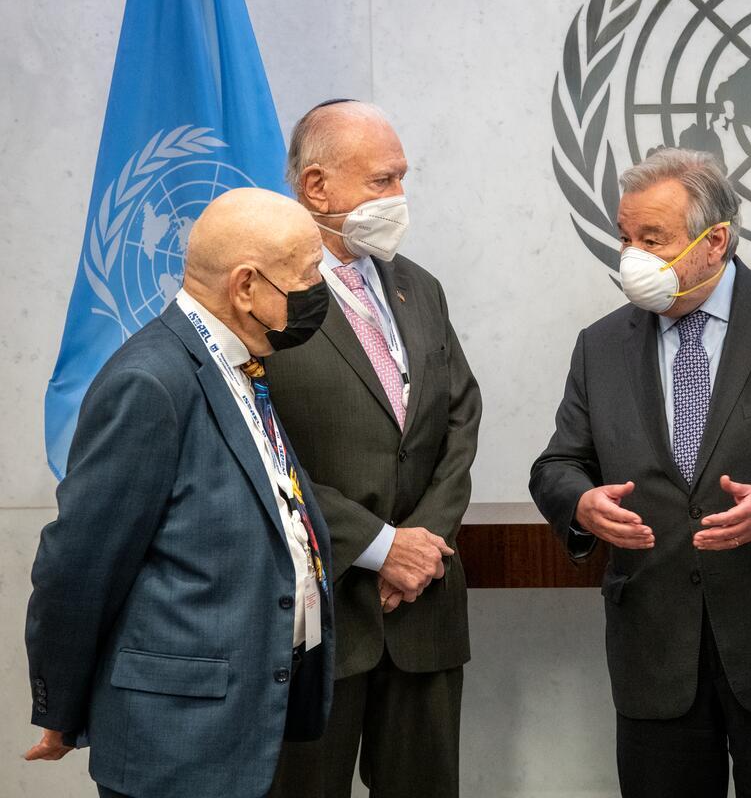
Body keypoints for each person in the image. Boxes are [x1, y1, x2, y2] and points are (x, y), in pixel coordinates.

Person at [529, 148, 751, 798]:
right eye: (625, 238)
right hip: (654, 654)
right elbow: (559, 463)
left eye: (651, 239)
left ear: (715, 241)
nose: (631, 256)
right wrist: (580, 504)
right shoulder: (600, 344)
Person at [23, 188, 335, 798]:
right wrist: (61, 706)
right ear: (246, 287)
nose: (318, 288)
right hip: (177, 744)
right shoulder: (149, 382)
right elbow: (79, 565)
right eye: (307, 274)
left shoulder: (238, 363)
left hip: (250, 719)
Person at [263, 99, 482, 798]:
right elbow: (262, 452)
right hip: (317, 616)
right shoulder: (264, 294)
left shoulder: (419, 285)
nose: (399, 196)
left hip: (424, 608)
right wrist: (381, 546)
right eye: (382, 180)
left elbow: (460, 418)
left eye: (401, 177)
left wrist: (422, 545)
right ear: (317, 187)